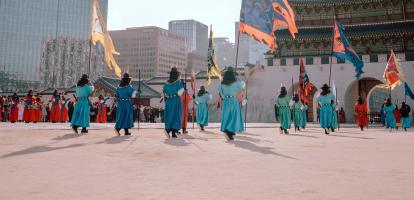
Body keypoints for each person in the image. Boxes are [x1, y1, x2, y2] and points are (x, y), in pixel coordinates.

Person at [219, 67, 245, 141]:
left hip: (225, 101)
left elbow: (220, 93)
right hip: (233, 100)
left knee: (227, 117)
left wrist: (223, 98)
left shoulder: (222, 83)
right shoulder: (236, 82)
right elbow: (240, 91)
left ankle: (229, 134)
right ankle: (228, 131)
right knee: (234, 117)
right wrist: (241, 101)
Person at [163, 67, 184, 139]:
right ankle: (174, 132)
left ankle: (167, 129)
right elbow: (180, 93)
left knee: (169, 115)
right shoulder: (179, 83)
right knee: (176, 115)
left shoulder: (166, 84)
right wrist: (183, 88)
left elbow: (164, 93)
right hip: (176, 100)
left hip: (168, 101)